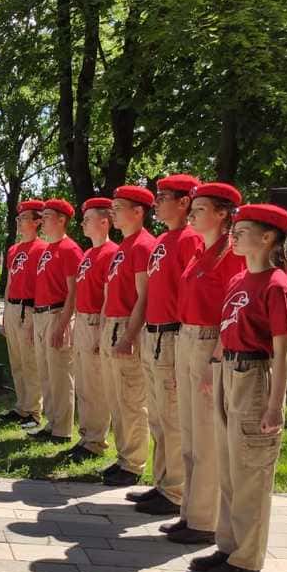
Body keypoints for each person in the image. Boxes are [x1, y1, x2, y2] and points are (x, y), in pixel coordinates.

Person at [189, 203, 287, 572]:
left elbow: (282, 352)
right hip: (227, 372)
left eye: (243, 229)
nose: (233, 234)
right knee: (229, 468)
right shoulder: (238, 280)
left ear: (267, 238)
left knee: (250, 471)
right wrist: (211, 367)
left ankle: (247, 561)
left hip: (254, 375)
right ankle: (228, 545)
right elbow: (226, 328)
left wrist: (274, 405)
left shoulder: (277, 285)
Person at [166, 183, 246, 543]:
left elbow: (232, 309)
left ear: (223, 214)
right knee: (189, 431)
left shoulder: (231, 255)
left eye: (200, 209)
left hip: (208, 341)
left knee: (206, 436)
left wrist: (216, 355)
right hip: (186, 337)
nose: (193, 214)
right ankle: (190, 510)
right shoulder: (201, 251)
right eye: (193, 208)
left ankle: (204, 520)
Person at [128, 174, 204, 516]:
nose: (156, 202)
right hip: (154, 333)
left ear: (185, 202)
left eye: (163, 196)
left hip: (173, 335)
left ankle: (175, 490)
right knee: (158, 415)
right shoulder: (164, 240)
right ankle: (161, 481)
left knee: (172, 416)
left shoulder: (190, 240)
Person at [99, 185, 157, 486]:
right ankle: (124, 457)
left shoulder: (144, 245)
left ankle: (134, 463)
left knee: (131, 397)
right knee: (116, 397)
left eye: (119, 207)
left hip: (127, 326)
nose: (113, 212)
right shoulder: (125, 245)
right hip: (112, 324)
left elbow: (144, 297)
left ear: (138, 212)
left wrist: (129, 336)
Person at [29, 198, 83, 442]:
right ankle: (51, 422)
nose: (42, 220)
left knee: (60, 375)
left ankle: (62, 430)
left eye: (48, 215)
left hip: (56, 314)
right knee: (46, 373)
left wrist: (62, 325)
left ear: (62, 220)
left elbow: (74, 291)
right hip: (40, 314)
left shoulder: (70, 249)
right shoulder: (47, 249)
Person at [69, 197, 119, 461]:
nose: (82, 223)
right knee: (84, 384)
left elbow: (109, 296)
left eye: (87, 219)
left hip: (96, 322)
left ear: (104, 221)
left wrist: (101, 331)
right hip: (82, 320)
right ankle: (87, 435)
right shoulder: (88, 254)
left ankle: (97, 441)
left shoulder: (112, 253)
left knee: (96, 385)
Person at [0, 200, 47, 427]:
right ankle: (21, 406)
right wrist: (5, 313)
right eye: (18, 219)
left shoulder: (42, 249)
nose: (19, 222)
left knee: (30, 362)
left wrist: (34, 319)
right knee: (16, 361)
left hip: (28, 309)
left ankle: (34, 412)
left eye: (24, 218)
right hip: (13, 308)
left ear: (37, 221)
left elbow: (42, 286)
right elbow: (10, 282)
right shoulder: (13, 250)